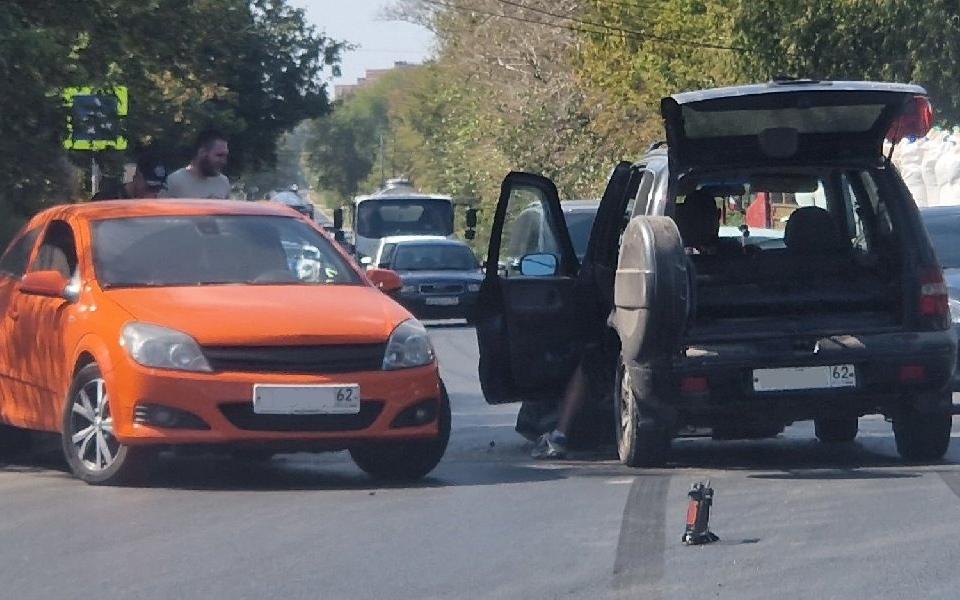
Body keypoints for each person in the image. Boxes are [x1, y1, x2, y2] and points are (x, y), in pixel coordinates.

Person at [531, 190, 724, 460]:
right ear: (719, 216)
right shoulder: (737, 256)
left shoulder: (661, 262)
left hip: (664, 337)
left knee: (591, 360)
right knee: (592, 359)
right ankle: (562, 433)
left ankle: (561, 433)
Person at [160, 129, 231, 199]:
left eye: (225, 156)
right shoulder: (174, 181)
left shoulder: (223, 182)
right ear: (202, 152)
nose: (223, 161)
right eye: (219, 155)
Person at [91, 154, 168, 200]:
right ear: (137, 175)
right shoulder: (106, 200)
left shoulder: (155, 211)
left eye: (158, 189)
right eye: (149, 188)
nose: (153, 194)